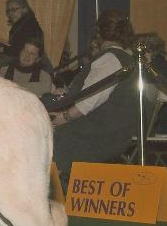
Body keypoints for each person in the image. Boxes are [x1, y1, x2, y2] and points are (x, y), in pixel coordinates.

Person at [50, 10, 137, 188]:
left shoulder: (109, 59)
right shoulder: (127, 58)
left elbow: (90, 99)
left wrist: (64, 117)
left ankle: (50, 192)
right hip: (119, 131)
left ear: (98, 33)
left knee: (48, 135)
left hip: (101, 134)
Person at [0, 0, 45, 71]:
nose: (10, 13)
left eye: (14, 10)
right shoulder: (21, 24)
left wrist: (0, 49)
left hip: (26, 66)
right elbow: (16, 48)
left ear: (25, 9)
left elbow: (24, 51)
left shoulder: (30, 25)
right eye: (8, 11)